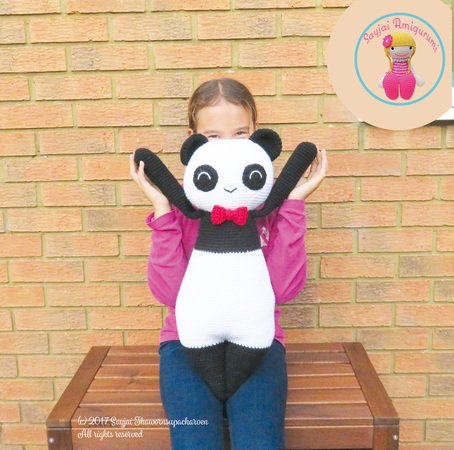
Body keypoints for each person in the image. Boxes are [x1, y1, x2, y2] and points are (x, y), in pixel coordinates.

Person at [130, 78, 328, 450]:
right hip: (184, 344)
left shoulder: (267, 203)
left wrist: (293, 205)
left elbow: (283, 290)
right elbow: (169, 293)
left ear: (256, 135)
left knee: (260, 443)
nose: (228, 146)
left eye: (240, 133)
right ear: (192, 141)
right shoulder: (186, 205)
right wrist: (163, 211)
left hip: (259, 341)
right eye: (213, 136)